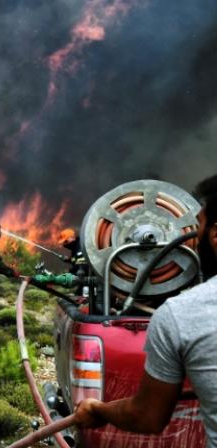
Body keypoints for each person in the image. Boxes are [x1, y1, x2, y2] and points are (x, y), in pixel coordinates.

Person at [74, 174, 217, 447]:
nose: (191, 237)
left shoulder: (181, 315)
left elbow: (147, 416)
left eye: (197, 226)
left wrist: (97, 409)